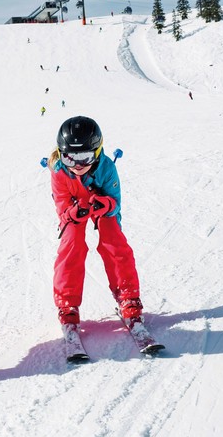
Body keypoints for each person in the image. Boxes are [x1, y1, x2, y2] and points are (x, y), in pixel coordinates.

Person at [48, 116, 148, 335]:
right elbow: (62, 210)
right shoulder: (59, 172)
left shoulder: (107, 167)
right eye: (69, 158)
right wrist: (73, 212)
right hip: (75, 211)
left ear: (97, 151)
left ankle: (128, 297)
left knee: (113, 238)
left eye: (84, 157)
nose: (77, 166)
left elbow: (115, 202)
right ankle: (67, 305)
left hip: (99, 207)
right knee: (71, 242)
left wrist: (106, 204)